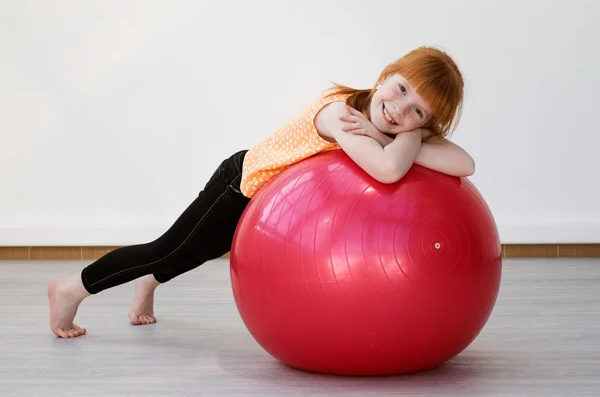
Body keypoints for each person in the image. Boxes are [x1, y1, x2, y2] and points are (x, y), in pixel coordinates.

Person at [48, 46, 475, 338]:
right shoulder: (340, 113)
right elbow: (387, 170)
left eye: (417, 111)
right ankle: (71, 288)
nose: (399, 108)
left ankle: (148, 285)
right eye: (400, 89)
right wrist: (409, 140)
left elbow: (465, 164)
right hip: (239, 185)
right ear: (385, 76)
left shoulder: (391, 129)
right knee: (170, 249)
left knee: (195, 252)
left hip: (267, 206)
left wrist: (408, 138)